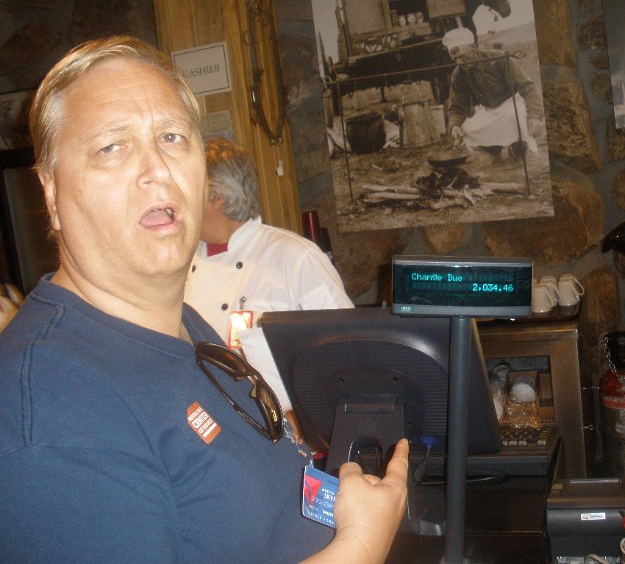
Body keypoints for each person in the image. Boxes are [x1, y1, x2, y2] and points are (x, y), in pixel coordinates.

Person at [0, 35, 408, 564]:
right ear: (52, 194)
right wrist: (362, 544)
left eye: (173, 138)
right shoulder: (50, 408)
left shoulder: (183, 322)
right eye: (111, 147)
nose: (157, 171)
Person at [184, 136, 352, 348]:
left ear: (217, 197)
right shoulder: (180, 263)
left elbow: (347, 342)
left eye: (186, 192)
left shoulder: (296, 257)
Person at [442, 27, 545, 158]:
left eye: (462, 56)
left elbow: (527, 87)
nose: (459, 62)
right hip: (488, 110)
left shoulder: (498, 58)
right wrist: (454, 126)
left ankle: (519, 147)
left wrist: (535, 116)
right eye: (455, 59)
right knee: (467, 129)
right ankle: (495, 150)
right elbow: (457, 107)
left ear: (473, 47)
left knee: (516, 116)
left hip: (512, 104)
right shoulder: (458, 74)